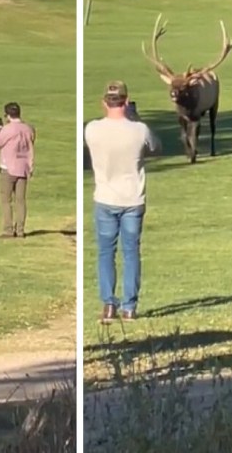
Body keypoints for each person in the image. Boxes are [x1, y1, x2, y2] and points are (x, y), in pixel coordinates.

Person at [83, 81, 160, 323]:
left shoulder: (92, 129)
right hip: (132, 199)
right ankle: (129, 306)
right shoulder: (139, 130)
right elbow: (156, 148)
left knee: (106, 252)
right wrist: (136, 120)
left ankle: (108, 304)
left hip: (105, 197)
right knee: (131, 253)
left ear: (104, 102)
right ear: (126, 102)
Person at [0, 102, 36, 238]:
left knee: (6, 200)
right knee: (21, 201)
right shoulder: (29, 129)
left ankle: (8, 230)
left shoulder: (8, 129)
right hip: (24, 167)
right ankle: (20, 230)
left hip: (8, 168)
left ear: (7, 115)